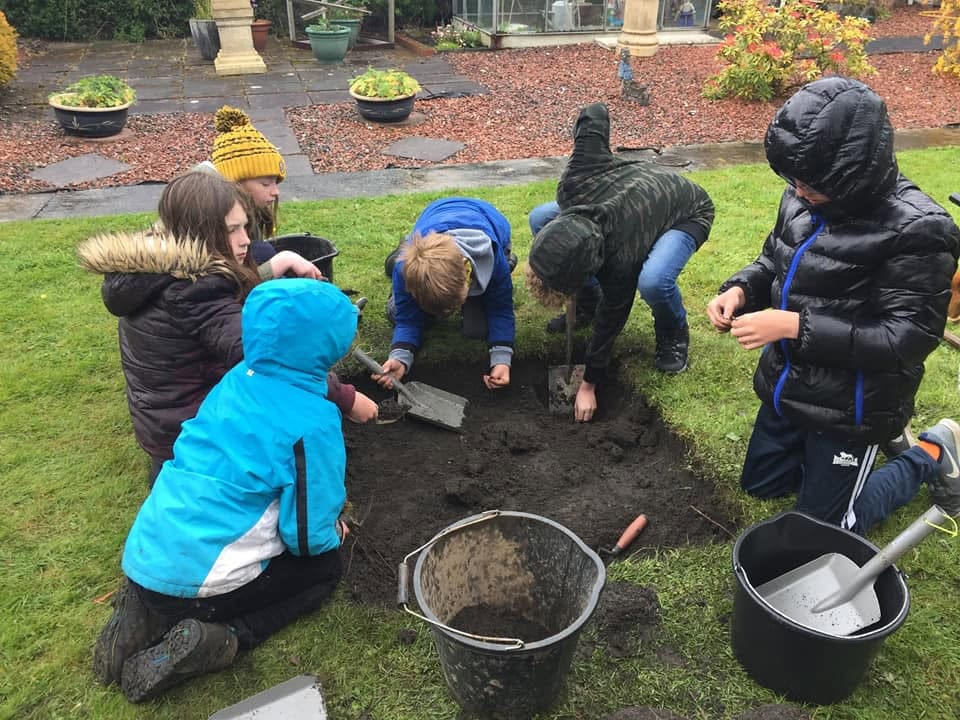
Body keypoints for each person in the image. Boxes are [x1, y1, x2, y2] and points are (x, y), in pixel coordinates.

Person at [705, 77, 960, 533]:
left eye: (811, 184)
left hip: (855, 408)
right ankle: (827, 471)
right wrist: (741, 289)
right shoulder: (803, 194)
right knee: (761, 485)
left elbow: (907, 339)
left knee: (830, 527)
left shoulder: (920, 230)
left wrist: (792, 325)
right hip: (791, 384)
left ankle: (933, 451)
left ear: (854, 176)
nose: (799, 192)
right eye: (794, 180)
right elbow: (774, 259)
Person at [92, 279, 357, 703]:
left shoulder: (237, 379)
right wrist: (333, 534)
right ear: (330, 347)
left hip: (148, 550)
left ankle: (143, 605)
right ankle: (225, 637)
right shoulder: (314, 423)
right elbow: (304, 536)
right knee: (323, 571)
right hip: (199, 589)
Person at [79, 172, 377, 487]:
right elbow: (270, 360)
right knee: (290, 422)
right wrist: (345, 398)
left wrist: (278, 262)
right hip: (190, 428)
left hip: (160, 416)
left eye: (244, 226)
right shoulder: (192, 291)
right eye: (232, 229)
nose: (246, 239)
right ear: (202, 233)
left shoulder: (159, 267)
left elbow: (230, 284)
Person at [526, 102, 715, 421]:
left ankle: (673, 333)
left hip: (686, 209)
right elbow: (595, 112)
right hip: (622, 188)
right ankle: (586, 303)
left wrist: (588, 385)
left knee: (653, 280)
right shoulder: (575, 182)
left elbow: (612, 319)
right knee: (539, 217)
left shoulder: (622, 260)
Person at [376, 196, 517, 391]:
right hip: (435, 217)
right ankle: (399, 253)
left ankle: (509, 260)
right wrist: (400, 356)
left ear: (467, 273)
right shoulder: (405, 270)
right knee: (396, 313)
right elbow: (408, 319)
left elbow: (501, 308)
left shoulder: (491, 257)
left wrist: (502, 359)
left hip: (487, 221)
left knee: (476, 330)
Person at [195, 105, 286, 264]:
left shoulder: (249, 209)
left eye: (276, 182)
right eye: (265, 184)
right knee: (263, 252)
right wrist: (278, 265)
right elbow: (211, 279)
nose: (276, 192)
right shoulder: (205, 215)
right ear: (234, 183)